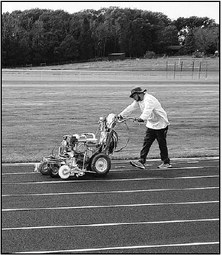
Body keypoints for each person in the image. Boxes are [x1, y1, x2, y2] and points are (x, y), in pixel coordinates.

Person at [118, 87, 172, 169]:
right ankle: (141, 161)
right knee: (146, 143)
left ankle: (166, 162)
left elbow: (147, 110)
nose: (133, 98)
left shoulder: (149, 99)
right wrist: (121, 115)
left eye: (134, 96)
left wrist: (142, 118)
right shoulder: (138, 100)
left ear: (139, 94)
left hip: (161, 124)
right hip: (151, 124)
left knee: (162, 144)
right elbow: (131, 108)